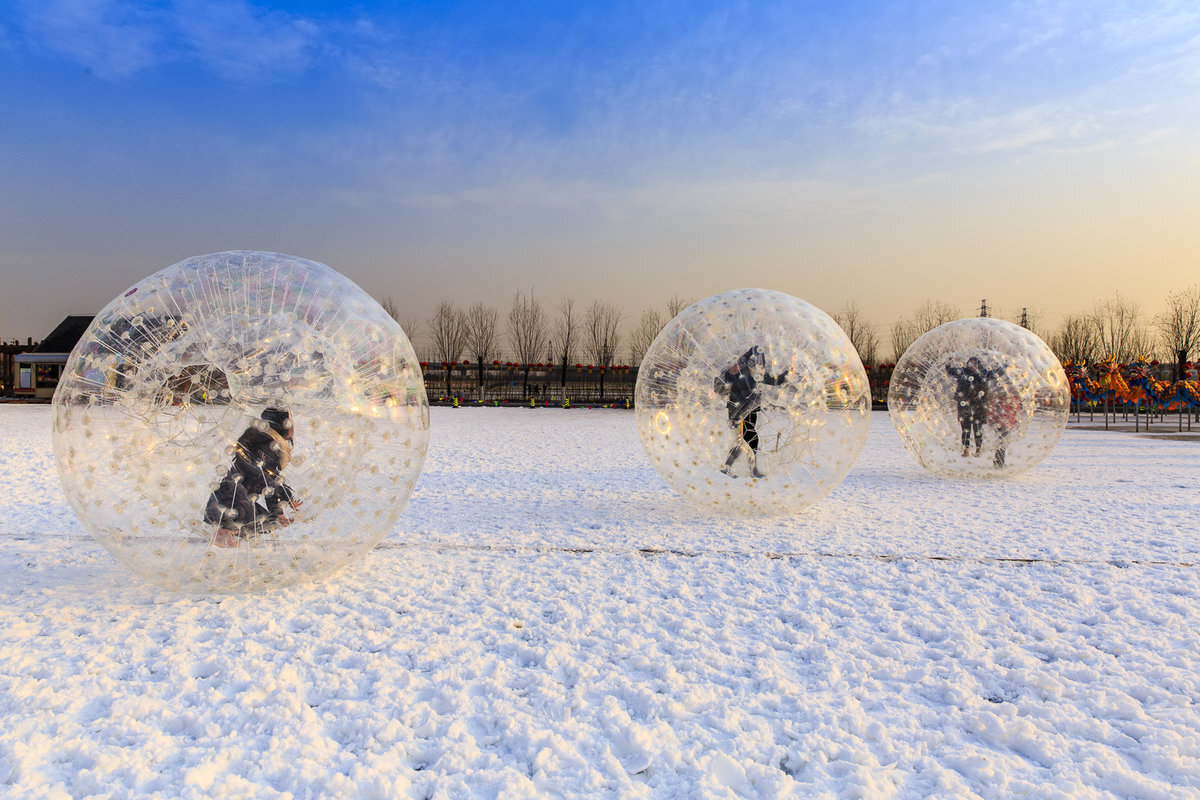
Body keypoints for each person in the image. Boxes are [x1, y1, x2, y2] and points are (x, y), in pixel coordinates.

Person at [204, 407, 300, 548]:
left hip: (227, 496)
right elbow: (265, 477)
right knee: (254, 519)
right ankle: (224, 535)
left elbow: (271, 476)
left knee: (261, 521)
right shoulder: (270, 446)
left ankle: (226, 534)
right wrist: (277, 509)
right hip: (234, 499)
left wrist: (286, 497)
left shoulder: (258, 442)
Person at [714, 346, 789, 478]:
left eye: (762, 361)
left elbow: (774, 381)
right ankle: (735, 467)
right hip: (738, 411)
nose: (761, 363)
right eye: (759, 360)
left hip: (751, 409)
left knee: (749, 438)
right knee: (743, 439)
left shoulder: (757, 373)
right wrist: (729, 373)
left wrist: (788, 373)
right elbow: (722, 383)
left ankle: (741, 468)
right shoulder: (738, 371)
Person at [945, 357, 1004, 457]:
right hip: (964, 404)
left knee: (978, 428)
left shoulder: (983, 373)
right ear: (967, 364)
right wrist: (948, 363)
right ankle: (966, 449)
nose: (973, 366)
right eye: (970, 364)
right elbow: (950, 371)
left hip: (979, 405)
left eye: (975, 364)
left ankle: (978, 448)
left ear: (978, 364)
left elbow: (997, 373)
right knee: (965, 428)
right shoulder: (963, 372)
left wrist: (1002, 363)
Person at [987, 384, 1021, 468]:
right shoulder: (1012, 398)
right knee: (1002, 443)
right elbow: (1016, 411)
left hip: (1002, 422)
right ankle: (999, 463)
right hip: (1003, 423)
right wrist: (1017, 421)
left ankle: (998, 462)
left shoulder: (999, 397)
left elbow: (992, 410)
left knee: (1001, 442)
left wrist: (991, 421)